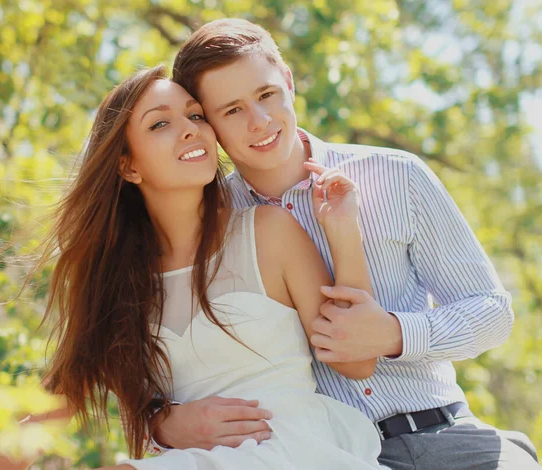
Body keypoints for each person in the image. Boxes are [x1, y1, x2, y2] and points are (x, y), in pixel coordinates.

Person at [144, 18, 541, 470]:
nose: (260, 122)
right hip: (322, 454)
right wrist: (163, 424)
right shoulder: (212, 226)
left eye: (267, 95)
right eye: (231, 110)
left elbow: (491, 309)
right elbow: (167, 366)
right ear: (209, 123)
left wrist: (395, 333)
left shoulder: (397, 175)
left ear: (289, 83)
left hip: (445, 433)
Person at [0, 66, 388, 470]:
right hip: (194, 460)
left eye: (195, 115)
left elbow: (356, 362)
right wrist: (164, 421)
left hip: (290, 446)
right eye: (160, 124)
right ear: (128, 167)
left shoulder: (268, 231)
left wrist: (342, 231)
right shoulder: (117, 283)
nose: (192, 129)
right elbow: (48, 408)